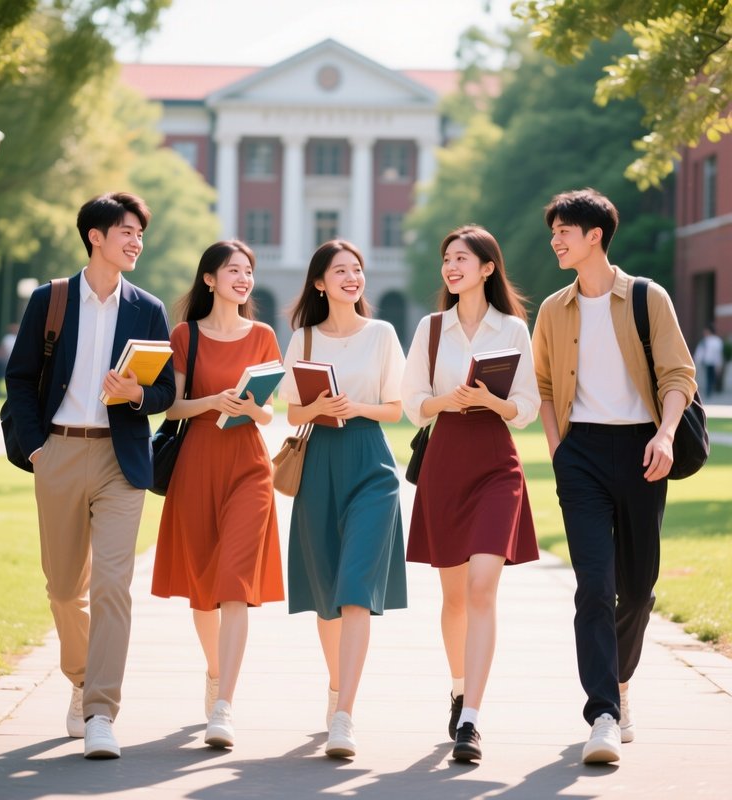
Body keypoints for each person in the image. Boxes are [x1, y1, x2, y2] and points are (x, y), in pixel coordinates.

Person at [5, 192, 176, 759]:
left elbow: (166, 390)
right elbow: (20, 379)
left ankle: (101, 710)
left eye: (140, 235)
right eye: (126, 232)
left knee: (111, 587)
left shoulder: (148, 308)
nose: (136, 242)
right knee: (62, 588)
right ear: (95, 236)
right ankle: (80, 677)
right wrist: (36, 450)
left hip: (120, 459)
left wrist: (138, 394)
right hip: (56, 453)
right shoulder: (49, 300)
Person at [531, 188, 697, 764]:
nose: (555, 240)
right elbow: (546, 387)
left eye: (563, 232)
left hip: (641, 450)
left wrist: (665, 434)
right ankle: (602, 712)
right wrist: (558, 451)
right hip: (581, 455)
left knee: (638, 589)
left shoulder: (648, 298)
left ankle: (621, 684)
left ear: (594, 235)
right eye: (554, 231)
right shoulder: (554, 309)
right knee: (594, 586)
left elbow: (679, 374)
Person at [401, 225, 540, 763]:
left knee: (483, 587)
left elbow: (525, 407)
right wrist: (448, 400)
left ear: (488, 268)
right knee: (455, 597)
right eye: (447, 259)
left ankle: (472, 721)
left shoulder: (512, 329)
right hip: (446, 462)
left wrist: (491, 400)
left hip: (496, 463)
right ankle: (459, 688)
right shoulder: (432, 329)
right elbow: (413, 401)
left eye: (463, 258)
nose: (451, 267)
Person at [151, 240, 284, 750]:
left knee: (233, 583)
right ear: (209, 279)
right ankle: (215, 671)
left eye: (249, 271)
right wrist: (214, 400)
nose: (244, 278)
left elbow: (271, 413)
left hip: (249, 464)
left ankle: (224, 704)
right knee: (203, 588)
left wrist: (250, 407)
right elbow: (174, 407)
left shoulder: (265, 335)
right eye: (234, 270)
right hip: (198, 463)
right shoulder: (185, 335)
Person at [278, 239, 407, 759]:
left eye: (357, 270)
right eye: (340, 271)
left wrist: (355, 406)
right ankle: (337, 690)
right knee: (326, 595)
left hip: (371, 466)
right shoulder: (303, 339)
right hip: (318, 468)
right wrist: (317, 406)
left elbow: (397, 409)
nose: (352, 278)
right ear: (319, 283)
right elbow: (290, 413)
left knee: (355, 590)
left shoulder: (382, 334)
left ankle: (345, 715)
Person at [693, 325, 724, 397]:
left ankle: (709, 391)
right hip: (706, 362)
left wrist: (718, 364)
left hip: (711, 362)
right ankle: (708, 391)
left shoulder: (715, 341)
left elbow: (717, 354)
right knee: (708, 377)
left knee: (710, 377)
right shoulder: (706, 340)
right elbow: (700, 352)